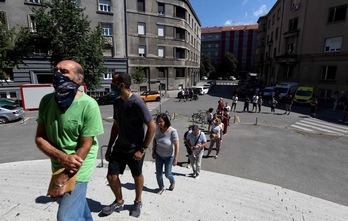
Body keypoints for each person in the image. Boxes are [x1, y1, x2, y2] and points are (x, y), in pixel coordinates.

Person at [35, 60, 104, 220]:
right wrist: (63, 158)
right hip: (59, 162)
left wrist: (63, 178)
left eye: (64, 72)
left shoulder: (89, 105)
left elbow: (86, 145)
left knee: (66, 217)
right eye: (56, 70)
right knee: (78, 205)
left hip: (80, 163)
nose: (57, 74)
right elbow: (40, 138)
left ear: (79, 79)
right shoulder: (46, 101)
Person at [102, 73, 156, 218]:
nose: (110, 85)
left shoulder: (137, 102)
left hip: (135, 150)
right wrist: (109, 147)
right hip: (119, 147)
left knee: (136, 175)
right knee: (111, 177)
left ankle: (138, 202)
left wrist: (142, 149)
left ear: (121, 85)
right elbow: (116, 125)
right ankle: (119, 201)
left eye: (113, 82)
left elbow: (152, 126)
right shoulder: (117, 102)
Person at [152, 113, 179, 195]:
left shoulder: (172, 131)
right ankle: (161, 187)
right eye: (157, 122)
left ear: (166, 121)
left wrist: (175, 159)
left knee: (168, 174)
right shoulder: (157, 129)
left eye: (161, 122)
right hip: (159, 155)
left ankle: (172, 181)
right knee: (158, 174)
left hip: (169, 157)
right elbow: (155, 140)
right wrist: (153, 151)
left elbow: (177, 145)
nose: (159, 124)